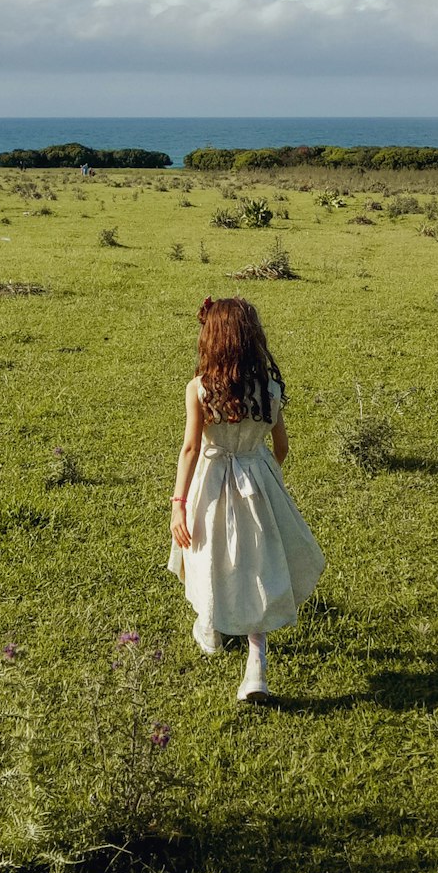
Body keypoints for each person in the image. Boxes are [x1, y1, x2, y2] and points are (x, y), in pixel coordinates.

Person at [168, 296, 325, 704]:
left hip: (210, 484)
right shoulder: (268, 389)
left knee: (207, 556)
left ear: (211, 341)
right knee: (258, 566)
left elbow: (189, 448)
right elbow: (283, 445)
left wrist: (178, 503)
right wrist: (264, 472)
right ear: (251, 340)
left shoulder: (199, 389)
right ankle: (256, 667)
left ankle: (211, 624)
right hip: (258, 480)